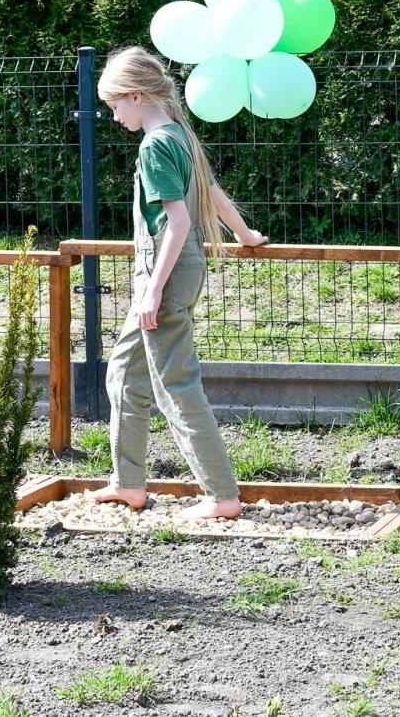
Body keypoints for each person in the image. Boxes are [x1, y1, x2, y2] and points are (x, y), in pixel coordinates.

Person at [86, 46, 268, 521]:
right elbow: (210, 190)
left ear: (138, 95)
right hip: (173, 268)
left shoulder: (154, 145)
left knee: (175, 385)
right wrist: (244, 234)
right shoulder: (180, 135)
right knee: (123, 372)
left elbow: (178, 223)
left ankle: (222, 495)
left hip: (165, 270)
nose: (114, 115)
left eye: (115, 105)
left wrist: (150, 290)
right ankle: (128, 484)